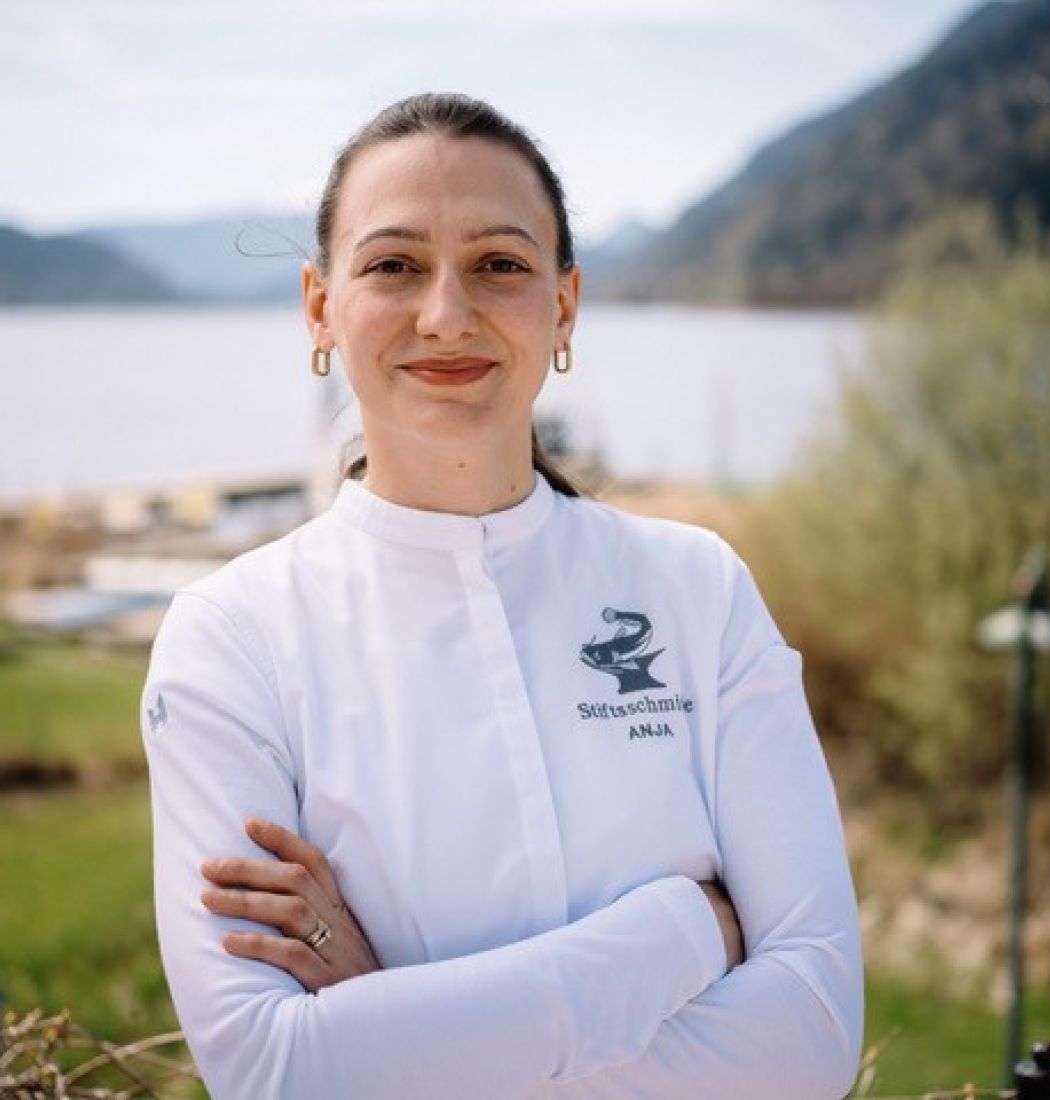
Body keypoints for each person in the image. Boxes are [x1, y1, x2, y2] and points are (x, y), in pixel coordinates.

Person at [141, 92, 863, 1099]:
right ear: (319, 306)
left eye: (500, 264)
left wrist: (388, 1021)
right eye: (394, 265)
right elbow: (276, 1071)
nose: (446, 313)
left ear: (563, 306)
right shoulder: (231, 639)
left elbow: (813, 1040)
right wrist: (685, 929)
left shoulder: (699, 591)